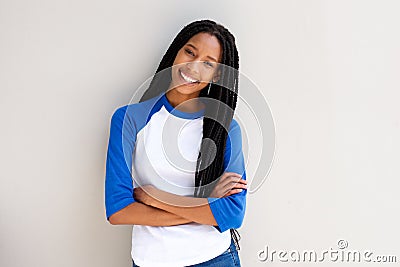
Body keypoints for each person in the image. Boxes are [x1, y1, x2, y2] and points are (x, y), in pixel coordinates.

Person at [105, 19, 248, 267]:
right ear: (176, 51)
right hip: (152, 260)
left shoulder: (225, 128)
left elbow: (233, 213)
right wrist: (206, 210)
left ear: (217, 74)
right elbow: (118, 211)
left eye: (207, 63)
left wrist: (156, 199)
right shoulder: (130, 119)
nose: (193, 67)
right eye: (189, 52)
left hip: (215, 258)